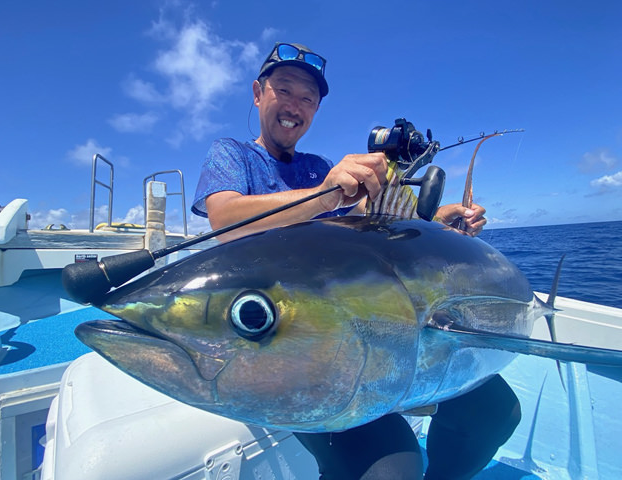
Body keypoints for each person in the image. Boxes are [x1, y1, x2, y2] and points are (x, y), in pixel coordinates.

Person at [192, 42, 521, 479]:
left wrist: (444, 219)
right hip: (288, 352)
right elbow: (224, 218)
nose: (294, 106)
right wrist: (322, 195)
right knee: (393, 467)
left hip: (358, 333)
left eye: (307, 99)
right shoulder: (232, 155)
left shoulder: (318, 165)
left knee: (496, 410)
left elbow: (378, 227)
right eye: (283, 90)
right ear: (257, 94)